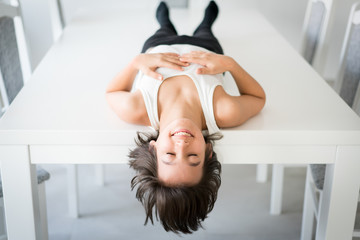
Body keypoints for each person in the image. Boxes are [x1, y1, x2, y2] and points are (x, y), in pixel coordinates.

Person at [105, 1, 266, 234]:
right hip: (205, 49)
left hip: (158, 47)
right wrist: (229, 64)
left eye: (169, 154)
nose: (181, 145)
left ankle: (164, 19)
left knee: (163, 29)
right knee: (205, 32)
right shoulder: (223, 109)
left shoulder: (138, 108)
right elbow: (257, 98)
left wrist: (136, 63)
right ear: (208, 151)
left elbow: (112, 92)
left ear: (153, 149)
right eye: (193, 156)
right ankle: (207, 21)